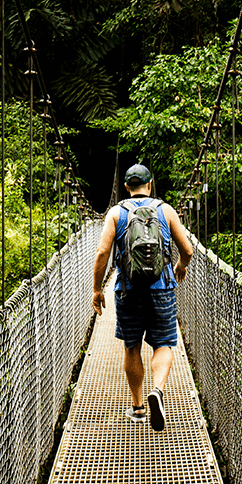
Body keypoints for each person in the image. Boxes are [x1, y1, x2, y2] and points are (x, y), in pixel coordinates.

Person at [91, 163, 194, 431]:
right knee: (164, 344)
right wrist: (180, 266)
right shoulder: (165, 210)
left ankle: (137, 408)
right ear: (150, 184)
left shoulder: (115, 213)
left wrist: (97, 288)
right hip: (162, 289)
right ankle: (157, 391)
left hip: (128, 290)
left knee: (131, 346)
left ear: (126, 187)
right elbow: (188, 250)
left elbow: (103, 252)